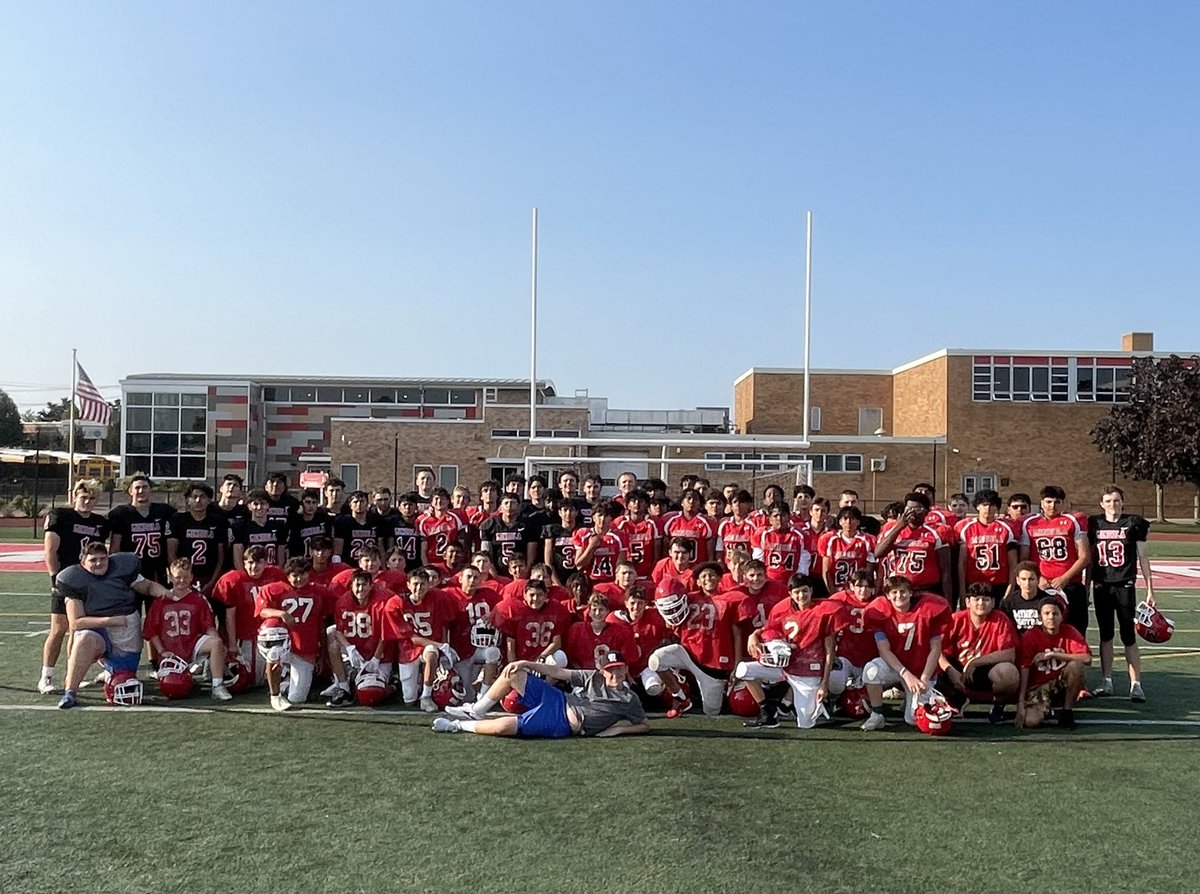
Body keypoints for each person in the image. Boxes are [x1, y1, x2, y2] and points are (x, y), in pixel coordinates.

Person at [55, 543, 170, 709]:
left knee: (124, 679)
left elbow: (148, 586)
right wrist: (109, 621)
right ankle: (70, 692)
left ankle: (109, 671)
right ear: (82, 561)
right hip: (97, 627)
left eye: (103, 559)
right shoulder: (73, 579)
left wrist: (164, 592)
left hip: (126, 630)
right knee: (83, 638)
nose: (99, 563)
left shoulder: (122, 568)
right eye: (93, 560)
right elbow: (76, 623)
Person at [434, 651, 650, 739]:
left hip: (563, 722)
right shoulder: (592, 676)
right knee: (514, 671)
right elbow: (557, 672)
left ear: (625, 669)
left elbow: (645, 725)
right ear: (603, 671)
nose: (615, 674)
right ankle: (476, 711)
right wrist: (526, 663)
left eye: (619, 669)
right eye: (611, 669)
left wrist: (619, 729)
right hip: (559, 699)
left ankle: (457, 726)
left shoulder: (629, 699)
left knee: (503, 727)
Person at [737, 574, 844, 729]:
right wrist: (753, 635)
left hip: (807, 673)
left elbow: (829, 650)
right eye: (797, 592)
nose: (801, 595)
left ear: (811, 590)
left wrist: (824, 684)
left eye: (805, 591)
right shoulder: (782, 608)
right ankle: (768, 712)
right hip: (784, 666)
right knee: (743, 670)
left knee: (805, 724)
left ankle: (807, 703)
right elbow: (769, 629)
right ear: (790, 594)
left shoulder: (823, 611)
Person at [38, 478, 110, 695]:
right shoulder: (61, 516)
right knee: (58, 629)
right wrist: (55, 579)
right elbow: (50, 551)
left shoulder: (101, 523)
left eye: (91, 498)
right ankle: (46, 676)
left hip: (89, 582)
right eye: (83, 497)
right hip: (66, 580)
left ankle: (72, 675)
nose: (87, 501)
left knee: (80, 630)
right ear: (74, 497)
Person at [859, 575, 952, 731]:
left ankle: (911, 700)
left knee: (914, 719)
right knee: (871, 670)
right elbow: (884, 650)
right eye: (894, 592)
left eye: (903, 591)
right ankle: (877, 714)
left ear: (910, 593)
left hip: (920, 668)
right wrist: (905, 674)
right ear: (887, 596)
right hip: (897, 667)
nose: (899, 596)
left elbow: (935, 649)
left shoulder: (929, 609)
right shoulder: (881, 612)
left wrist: (923, 678)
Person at [1087, 485, 1154, 701]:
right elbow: (1089, 560)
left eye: (1116, 501)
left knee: (1128, 635)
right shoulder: (1094, 523)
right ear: (1101, 503)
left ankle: (1136, 684)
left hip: (1125, 584)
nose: (1112, 505)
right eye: (1108, 501)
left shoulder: (1133, 523)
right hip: (1101, 585)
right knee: (1106, 634)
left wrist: (1150, 589)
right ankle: (1107, 681)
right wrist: (1087, 586)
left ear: (1122, 502)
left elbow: (1143, 557)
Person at [143, 558, 233, 700]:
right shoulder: (160, 601)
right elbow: (151, 631)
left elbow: (208, 626)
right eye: (178, 577)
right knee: (171, 687)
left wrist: (218, 640)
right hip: (170, 651)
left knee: (215, 643)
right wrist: (161, 651)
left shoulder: (198, 599)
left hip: (192, 646)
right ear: (170, 577)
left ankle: (217, 685)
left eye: (186, 577)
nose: (182, 580)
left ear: (191, 577)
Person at [254, 557, 333, 711]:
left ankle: (285, 681)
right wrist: (281, 614)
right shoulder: (274, 589)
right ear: (287, 575)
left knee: (297, 698)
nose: (297, 579)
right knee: (272, 629)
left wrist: (321, 653)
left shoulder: (319, 591)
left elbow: (322, 622)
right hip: (281, 641)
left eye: (301, 574)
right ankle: (275, 695)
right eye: (294, 575)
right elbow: (261, 612)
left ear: (308, 574)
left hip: (304, 646)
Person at [937, 582, 1019, 723]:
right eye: (976, 599)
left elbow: (1009, 654)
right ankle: (953, 699)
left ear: (993, 602)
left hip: (985, 671)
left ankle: (998, 705)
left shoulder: (1000, 619)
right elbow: (935, 650)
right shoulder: (955, 619)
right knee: (929, 664)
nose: (981, 603)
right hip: (957, 671)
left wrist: (975, 662)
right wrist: (950, 670)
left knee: (1009, 672)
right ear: (968, 602)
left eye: (986, 599)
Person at [1020, 485, 1091, 635]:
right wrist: (1039, 578)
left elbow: (1085, 557)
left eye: (1057, 502)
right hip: (1042, 585)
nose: (1052, 506)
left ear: (1063, 503)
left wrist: (1064, 578)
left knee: (1076, 630)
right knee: (1041, 630)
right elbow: (1024, 559)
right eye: (1049, 502)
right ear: (1041, 503)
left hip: (1071, 584)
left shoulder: (1073, 520)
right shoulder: (1030, 523)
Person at [1015, 598, 1092, 730]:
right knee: (1031, 722)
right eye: (1046, 613)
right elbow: (1024, 668)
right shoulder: (1031, 636)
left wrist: (1054, 654)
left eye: (1055, 613)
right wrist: (1020, 702)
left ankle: (1067, 711)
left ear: (1062, 616)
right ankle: (1048, 706)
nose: (1051, 617)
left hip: (1060, 682)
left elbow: (1087, 658)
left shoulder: (1069, 631)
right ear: (1040, 616)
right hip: (1038, 686)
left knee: (1076, 666)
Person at [323, 569, 390, 707]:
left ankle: (394, 683)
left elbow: (385, 633)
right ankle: (343, 687)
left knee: (373, 691)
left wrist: (376, 658)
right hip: (356, 650)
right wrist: (349, 648)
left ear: (371, 586)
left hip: (377, 653)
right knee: (332, 636)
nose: (360, 589)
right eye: (357, 585)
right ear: (351, 586)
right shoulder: (342, 602)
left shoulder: (381, 603)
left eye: (364, 585)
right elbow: (339, 630)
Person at [874, 492, 952, 598]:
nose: (912, 513)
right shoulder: (893, 530)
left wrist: (948, 600)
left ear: (926, 512)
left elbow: (946, 572)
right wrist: (900, 526)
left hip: (925, 589)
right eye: (909, 509)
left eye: (917, 509)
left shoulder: (937, 532)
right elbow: (878, 553)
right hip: (898, 590)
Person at [108, 474, 174, 589]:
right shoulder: (121, 514)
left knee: (157, 605)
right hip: (131, 570)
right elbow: (115, 548)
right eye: (137, 488)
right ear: (130, 491)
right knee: (130, 605)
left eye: (145, 487)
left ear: (150, 490)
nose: (141, 491)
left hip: (156, 569)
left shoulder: (164, 511)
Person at [167, 482, 228, 603]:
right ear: (188, 500)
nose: (198, 500)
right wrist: (180, 579)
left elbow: (221, 557)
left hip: (209, 575)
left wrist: (212, 582)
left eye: (203, 496)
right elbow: (171, 553)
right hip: (185, 577)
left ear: (209, 500)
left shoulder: (218, 521)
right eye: (194, 497)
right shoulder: (178, 520)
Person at [954, 489, 1019, 604]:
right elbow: (962, 563)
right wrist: (962, 593)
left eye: (992, 505)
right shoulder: (966, 528)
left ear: (997, 507)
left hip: (999, 584)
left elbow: (1013, 564)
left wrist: (1010, 590)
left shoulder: (1007, 528)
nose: (988, 508)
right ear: (977, 506)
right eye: (984, 504)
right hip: (974, 584)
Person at [232, 488, 289, 570]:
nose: (259, 507)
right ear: (249, 506)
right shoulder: (242, 526)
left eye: (263, 504)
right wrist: (243, 576)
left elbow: (281, 557)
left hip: (271, 571)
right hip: (251, 571)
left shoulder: (279, 526)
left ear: (268, 505)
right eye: (255, 504)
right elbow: (237, 557)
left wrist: (278, 572)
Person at [332, 490, 388, 564]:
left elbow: (381, 548)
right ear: (350, 505)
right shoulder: (342, 522)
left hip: (370, 565)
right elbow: (337, 551)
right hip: (349, 564)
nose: (359, 504)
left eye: (362, 501)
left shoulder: (376, 521)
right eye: (355, 502)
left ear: (367, 504)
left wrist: (383, 568)